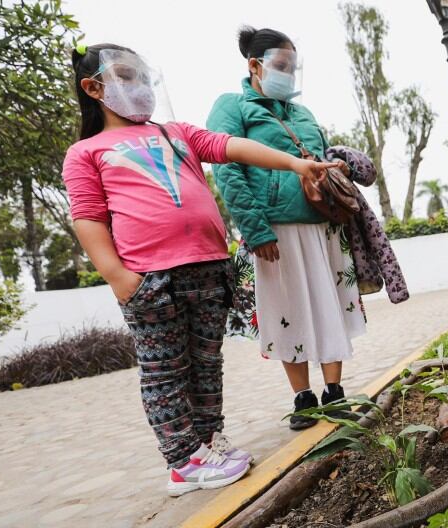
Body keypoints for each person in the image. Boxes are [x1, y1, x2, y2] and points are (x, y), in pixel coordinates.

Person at [63, 43, 342, 496]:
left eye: (142, 76)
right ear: (94, 88)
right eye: (125, 76)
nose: (140, 86)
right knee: (165, 372)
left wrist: (294, 162)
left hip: (209, 271)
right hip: (151, 280)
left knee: (206, 366)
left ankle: (209, 442)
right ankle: (181, 462)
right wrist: (120, 279)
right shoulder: (86, 152)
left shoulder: (176, 133)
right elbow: (88, 218)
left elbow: (230, 146)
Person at [207, 27, 366, 431]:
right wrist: (256, 229)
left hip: (324, 227)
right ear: (254, 65)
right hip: (274, 230)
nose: (288, 74)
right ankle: (303, 398)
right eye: (280, 65)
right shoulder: (233, 105)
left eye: (292, 67)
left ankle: (335, 393)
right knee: (287, 312)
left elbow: (321, 156)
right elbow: (226, 167)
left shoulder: (303, 113)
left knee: (331, 306)